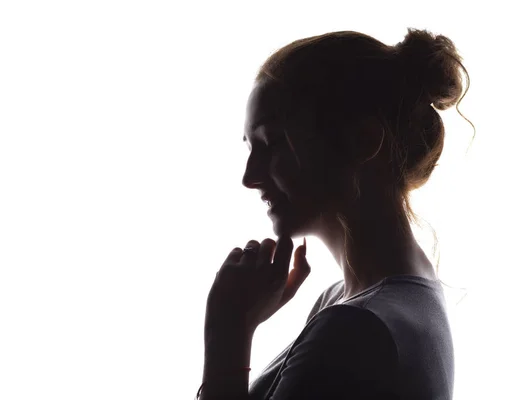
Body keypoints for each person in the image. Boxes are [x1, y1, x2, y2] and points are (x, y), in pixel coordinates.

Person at [199, 27, 472, 400]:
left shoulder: (356, 328)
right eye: (251, 148)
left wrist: (227, 335)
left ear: (363, 141)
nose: (250, 177)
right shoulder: (351, 300)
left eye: (272, 143)